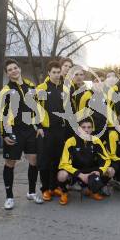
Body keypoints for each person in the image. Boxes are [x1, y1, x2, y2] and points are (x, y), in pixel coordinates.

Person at [0, 59, 44, 210]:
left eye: (15, 68)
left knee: (34, 161)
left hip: (30, 130)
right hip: (13, 131)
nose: (13, 71)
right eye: (10, 69)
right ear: (7, 73)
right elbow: (2, 115)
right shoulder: (5, 91)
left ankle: (31, 192)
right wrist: (4, 134)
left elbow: (37, 108)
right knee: (10, 163)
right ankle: (9, 197)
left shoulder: (31, 86)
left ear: (19, 69)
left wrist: (38, 126)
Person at [57, 118, 113, 205]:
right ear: (78, 129)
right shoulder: (71, 141)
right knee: (61, 175)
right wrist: (80, 174)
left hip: (91, 170)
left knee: (110, 171)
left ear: (92, 129)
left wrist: (99, 171)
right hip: (76, 171)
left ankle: (94, 190)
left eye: (89, 127)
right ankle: (64, 192)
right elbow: (64, 163)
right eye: (83, 127)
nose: (86, 130)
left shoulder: (96, 140)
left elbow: (106, 159)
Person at [36, 61, 69, 202]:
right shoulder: (42, 88)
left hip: (61, 130)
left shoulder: (65, 89)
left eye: (58, 72)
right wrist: (39, 127)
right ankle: (45, 189)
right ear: (49, 73)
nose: (56, 75)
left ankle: (55, 186)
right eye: (53, 72)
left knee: (57, 160)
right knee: (44, 161)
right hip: (46, 131)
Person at [78, 71, 109, 141]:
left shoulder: (106, 95)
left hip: (104, 131)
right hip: (91, 132)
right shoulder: (86, 96)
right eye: (97, 81)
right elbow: (80, 116)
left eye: (102, 81)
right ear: (92, 82)